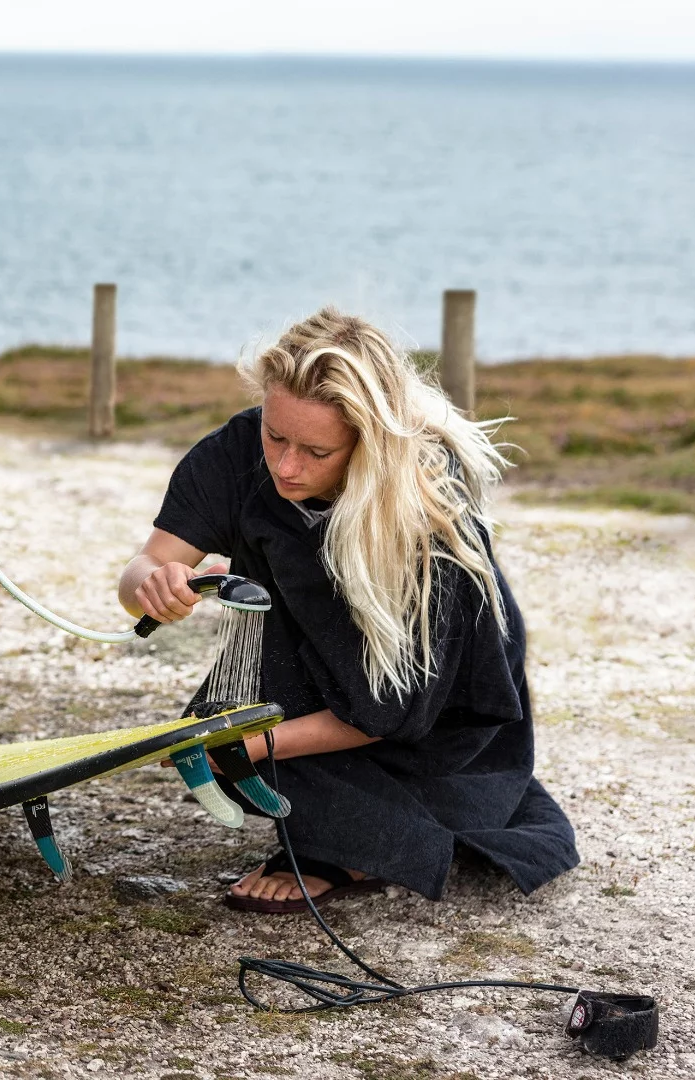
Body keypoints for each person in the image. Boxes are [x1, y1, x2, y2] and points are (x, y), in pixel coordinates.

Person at [118, 308, 578, 913]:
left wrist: (247, 746)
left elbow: (395, 709)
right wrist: (157, 584)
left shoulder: (428, 505)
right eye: (276, 436)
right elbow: (142, 568)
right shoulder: (236, 450)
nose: (285, 466)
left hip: (434, 703)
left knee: (246, 752)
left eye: (315, 450)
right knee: (216, 734)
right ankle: (339, 824)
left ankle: (343, 851)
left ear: (369, 442)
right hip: (309, 650)